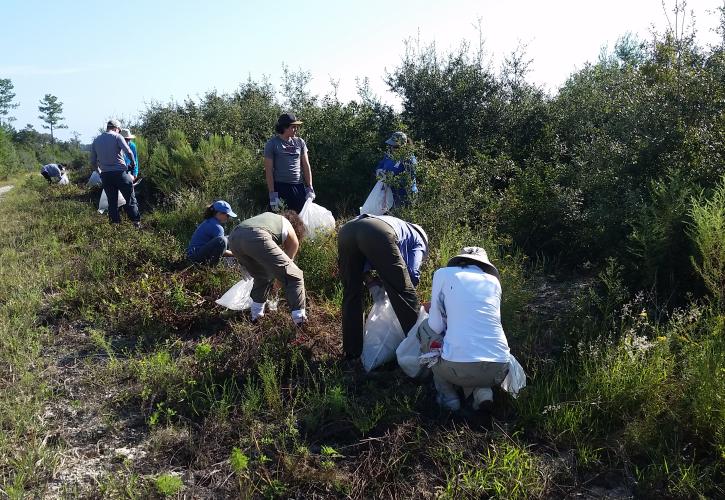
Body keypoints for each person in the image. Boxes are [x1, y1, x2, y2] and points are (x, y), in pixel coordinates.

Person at [418, 247, 512, 420]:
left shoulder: (443, 274)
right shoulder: (493, 282)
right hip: (500, 369)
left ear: (459, 261)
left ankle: (449, 399)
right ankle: (483, 394)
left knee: (425, 330)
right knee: (476, 348)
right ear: (485, 265)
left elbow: (435, 326)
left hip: (458, 369)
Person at [337, 214, 428, 359]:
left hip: (347, 230)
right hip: (376, 231)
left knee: (351, 292)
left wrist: (373, 284)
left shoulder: (400, 226)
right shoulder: (419, 240)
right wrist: (395, 287)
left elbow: (364, 269)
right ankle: (420, 350)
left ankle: (351, 353)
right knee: (404, 293)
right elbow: (412, 274)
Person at [228, 210, 307, 326]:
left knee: (262, 277)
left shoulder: (269, 218)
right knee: (295, 275)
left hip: (234, 238)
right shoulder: (289, 228)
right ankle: (300, 322)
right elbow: (285, 272)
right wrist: (276, 288)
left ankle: (256, 318)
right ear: (296, 227)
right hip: (256, 235)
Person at [90, 119, 140, 227]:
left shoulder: (96, 140)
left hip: (106, 175)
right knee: (130, 198)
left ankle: (115, 225)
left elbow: (93, 161)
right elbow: (129, 151)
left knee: (112, 202)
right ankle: (136, 222)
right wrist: (133, 164)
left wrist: (99, 173)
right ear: (116, 128)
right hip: (120, 173)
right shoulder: (117, 137)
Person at [264, 113, 315, 213]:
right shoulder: (272, 144)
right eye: (293, 127)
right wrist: (272, 193)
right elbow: (268, 170)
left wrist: (309, 187)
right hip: (280, 187)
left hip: (298, 187)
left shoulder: (300, 142)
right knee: (280, 218)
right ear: (284, 127)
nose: (296, 129)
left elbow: (306, 165)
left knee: (300, 219)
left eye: (297, 127)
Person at [187, 201, 237, 265]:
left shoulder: (210, 221)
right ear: (219, 213)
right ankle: (211, 267)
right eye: (227, 215)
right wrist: (236, 255)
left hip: (194, 256)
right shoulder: (217, 227)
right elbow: (222, 249)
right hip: (196, 258)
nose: (228, 217)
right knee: (222, 241)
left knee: (230, 238)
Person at [375, 131, 417, 206]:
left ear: (404, 146)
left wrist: (390, 179)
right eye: (391, 145)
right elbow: (380, 166)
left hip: (405, 197)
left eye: (396, 147)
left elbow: (409, 179)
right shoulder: (388, 156)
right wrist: (379, 172)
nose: (393, 148)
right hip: (388, 196)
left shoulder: (409, 159)